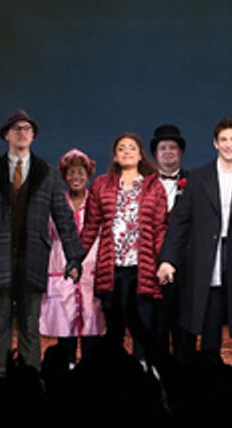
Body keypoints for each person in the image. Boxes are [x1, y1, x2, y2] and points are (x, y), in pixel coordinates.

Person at [0, 109, 84, 377]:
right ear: (6, 135)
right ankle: (0, 377)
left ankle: (30, 379)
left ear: (33, 135)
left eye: (27, 129)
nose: (22, 133)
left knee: (30, 325)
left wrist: (74, 257)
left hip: (33, 256)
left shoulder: (47, 173)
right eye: (17, 129)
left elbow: (63, 217)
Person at [158, 117, 232, 383]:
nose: (228, 145)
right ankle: (208, 384)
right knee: (209, 327)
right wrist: (168, 260)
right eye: (223, 139)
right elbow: (180, 223)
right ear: (215, 143)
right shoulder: (198, 177)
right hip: (207, 262)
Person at [80, 133, 168, 365]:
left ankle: (143, 371)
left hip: (143, 269)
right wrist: (75, 258)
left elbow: (160, 228)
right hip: (111, 269)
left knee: (142, 326)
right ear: (115, 157)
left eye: (132, 148)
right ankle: (116, 374)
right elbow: (91, 227)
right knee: (114, 328)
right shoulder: (101, 185)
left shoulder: (154, 186)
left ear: (140, 155)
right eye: (121, 149)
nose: (127, 152)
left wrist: (163, 262)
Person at [39, 149, 103, 365]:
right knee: (65, 327)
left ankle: (90, 371)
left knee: (92, 325)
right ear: (65, 176)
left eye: (80, 172)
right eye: (71, 173)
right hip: (61, 264)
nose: (76, 177)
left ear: (88, 175)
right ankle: (66, 370)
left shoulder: (96, 202)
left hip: (91, 265)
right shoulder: (57, 202)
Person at [149, 124, 196, 362]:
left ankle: (185, 374)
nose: (168, 152)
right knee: (156, 326)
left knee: (185, 329)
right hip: (152, 266)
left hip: (187, 267)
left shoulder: (195, 182)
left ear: (181, 152)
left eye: (173, 148)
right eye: (163, 148)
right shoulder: (144, 185)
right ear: (155, 154)